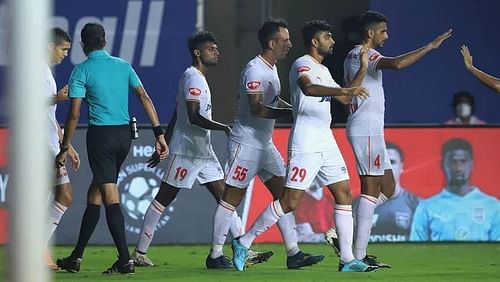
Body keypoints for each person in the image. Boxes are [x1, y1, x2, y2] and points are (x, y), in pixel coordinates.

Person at [231, 19, 375, 273]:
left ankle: (348, 259)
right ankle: (244, 241)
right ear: (314, 41)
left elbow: (344, 97)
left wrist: (361, 70)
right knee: (289, 201)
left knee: (343, 194)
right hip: (305, 142)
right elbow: (308, 89)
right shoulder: (302, 64)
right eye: (327, 36)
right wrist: (343, 90)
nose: (332, 41)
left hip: (326, 140)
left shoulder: (325, 70)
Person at [130, 31, 269, 270]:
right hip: (186, 151)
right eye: (210, 48)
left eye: (216, 48)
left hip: (203, 151)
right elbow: (193, 117)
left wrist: (164, 138)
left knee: (225, 196)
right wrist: (223, 127)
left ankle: (242, 248)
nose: (216, 51)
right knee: (165, 197)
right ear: (197, 52)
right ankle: (140, 252)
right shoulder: (193, 77)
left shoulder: (197, 78)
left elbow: (177, 113)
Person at [55, 22, 168, 274]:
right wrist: (159, 134)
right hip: (124, 137)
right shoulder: (123, 65)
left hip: (101, 138)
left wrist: (64, 147)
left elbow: (73, 114)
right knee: (95, 194)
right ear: (105, 42)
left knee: (109, 196)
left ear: (83, 46)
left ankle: (125, 260)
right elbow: (144, 98)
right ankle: (76, 257)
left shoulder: (81, 70)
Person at [209, 18, 322, 271]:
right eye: (285, 40)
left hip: (264, 144)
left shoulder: (271, 68)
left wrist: (295, 110)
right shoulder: (255, 69)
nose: (290, 45)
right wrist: (289, 114)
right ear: (272, 43)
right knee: (231, 198)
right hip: (246, 144)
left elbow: (275, 101)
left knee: (284, 195)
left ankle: (294, 253)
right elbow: (257, 108)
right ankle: (215, 254)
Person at [343, 10, 451, 266]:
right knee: (370, 190)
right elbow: (398, 64)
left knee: (389, 189)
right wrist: (430, 46)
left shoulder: (355, 54)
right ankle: (357, 257)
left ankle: (348, 235)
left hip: (371, 130)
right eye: (383, 31)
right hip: (365, 129)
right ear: (370, 33)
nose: (386, 35)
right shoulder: (365, 53)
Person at [410, 138, 500, 241]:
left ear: (471, 165)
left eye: (463, 161)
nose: (458, 168)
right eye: (452, 162)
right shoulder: (426, 208)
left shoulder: (493, 206)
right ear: (442, 164)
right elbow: (416, 250)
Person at [45, 27, 80, 271]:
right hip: (38, 146)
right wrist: (55, 99)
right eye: (63, 49)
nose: (65, 54)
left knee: (62, 195)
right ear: (50, 45)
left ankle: (37, 249)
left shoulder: (47, 72)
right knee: (57, 196)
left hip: (51, 144)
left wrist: (67, 143)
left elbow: (48, 114)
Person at [368, 142, 419, 241]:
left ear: (401, 167)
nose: (388, 168)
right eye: (382, 163)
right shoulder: (360, 204)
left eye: (392, 162)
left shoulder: (415, 203)